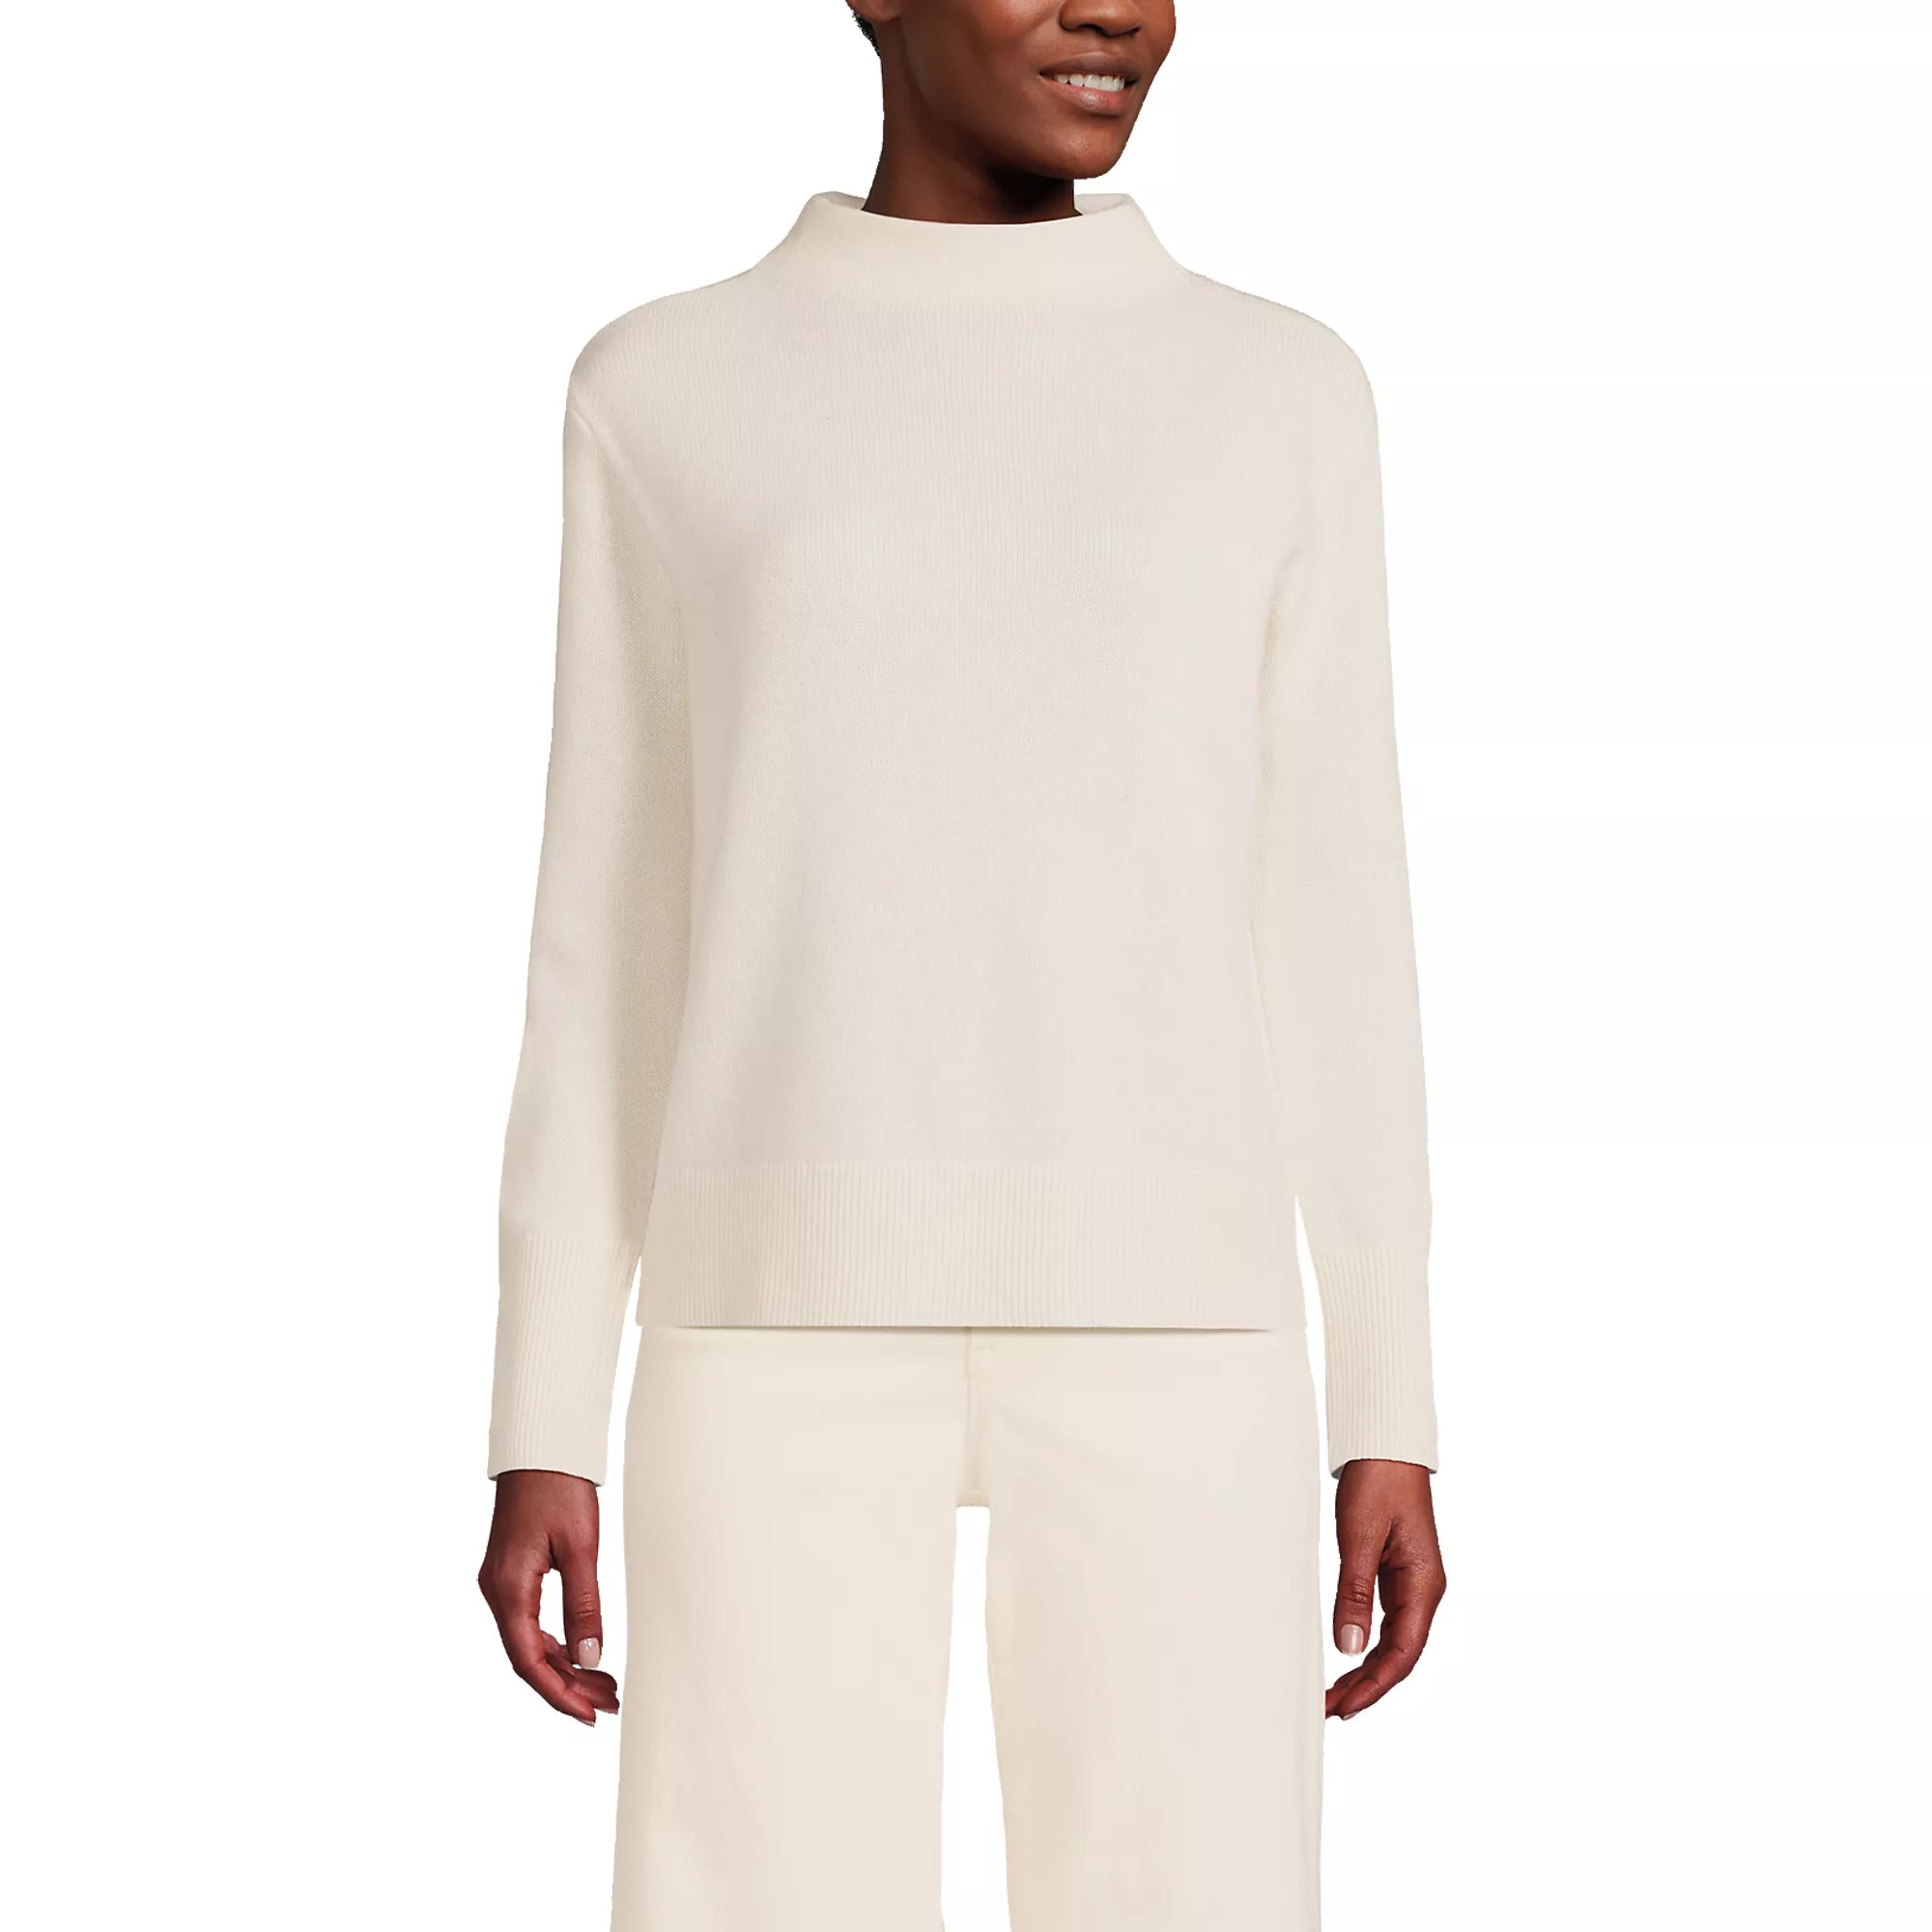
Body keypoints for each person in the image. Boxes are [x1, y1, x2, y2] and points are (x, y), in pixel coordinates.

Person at [477, 3, 1448, 1926]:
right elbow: (608, 923)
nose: (1118, 12)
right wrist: (539, 1412)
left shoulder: (1279, 391)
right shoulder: (665, 388)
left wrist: (1389, 1396)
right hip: (764, 1316)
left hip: (1184, 1322)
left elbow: (1337, 911)